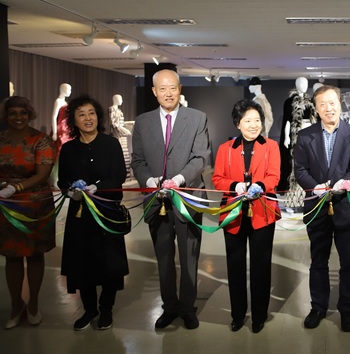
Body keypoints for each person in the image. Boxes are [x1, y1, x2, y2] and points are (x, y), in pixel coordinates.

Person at [131, 69, 210, 330]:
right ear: (154, 91)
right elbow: (138, 160)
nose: (168, 93)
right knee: (163, 258)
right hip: (156, 201)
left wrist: (178, 179)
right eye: (162, 88)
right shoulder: (142, 122)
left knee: (189, 257)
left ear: (180, 88)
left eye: (172, 88)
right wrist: (149, 181)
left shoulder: (197, 118)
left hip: (186, 198)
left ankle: (188, 307)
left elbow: (200, 158)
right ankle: (169, 306)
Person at [294, 85, 350, 332]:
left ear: (340, 104)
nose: (328, 108)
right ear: (316, 109)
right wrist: (314, 187)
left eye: (332, 102)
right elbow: (300, 169)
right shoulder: (305, 136)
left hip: (346, 207)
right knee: (318, 261)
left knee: (348, 261)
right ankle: (318, 307)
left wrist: (347, 183)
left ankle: (347, 309)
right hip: (316, 207)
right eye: (322, 104)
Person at [57, 95, 128, 331]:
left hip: (107, 213)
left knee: (109, 264)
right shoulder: (68, 149)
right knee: (82, 264)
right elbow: (62, 180)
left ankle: (106, 310)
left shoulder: (111, 144)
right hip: (80, 215)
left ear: (98, 116)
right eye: (81, 114)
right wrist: (71, 191)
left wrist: (98, 187)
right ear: (74, 121)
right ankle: (89, 309)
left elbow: (118, 175)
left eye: (91, 113)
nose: (88, 118)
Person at [212, 99, 281, 334]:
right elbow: (217, 179)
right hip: (233, 213)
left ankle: (259, 315)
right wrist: (236, 185)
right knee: (235, 265)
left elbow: (275, 177)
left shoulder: (271, 146)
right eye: (248, 121)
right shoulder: (225, 149)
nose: (254, 125)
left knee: (261, 266)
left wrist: (260, 185)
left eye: (257, 121)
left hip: (263, 212)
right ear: (237, 124)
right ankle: (237, 314)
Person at [0, 96, 55, 329]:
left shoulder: (40, 140)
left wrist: (16, 187)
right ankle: (15, 305)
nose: (18, 117)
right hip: (6, 206)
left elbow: (42, 174)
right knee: (12, 257)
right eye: (13, 113)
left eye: (22, 113)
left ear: (29, 114)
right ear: (6, 116)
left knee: (34, 254)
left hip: (35, 205)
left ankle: (33, 304)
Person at [278, 77, 316, 207]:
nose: (303, 85)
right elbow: (287, 121)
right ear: (296, 85)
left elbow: (313, 120)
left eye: (305, 83)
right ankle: (294, 200)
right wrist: (287, 137)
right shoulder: (290, 102)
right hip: (296, 135)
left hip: (310, 135)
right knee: (295, 165)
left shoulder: (311, 102)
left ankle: (308, 198)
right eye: (300, 83)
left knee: (310, 165)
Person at [109, 94, 131, 179]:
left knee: (125, 154)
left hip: (122, 135)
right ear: (116, 99)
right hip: (117, 135)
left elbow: (120, 123)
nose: (122, 101)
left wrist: (128, 126)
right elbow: (113, 124)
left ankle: (126, 175)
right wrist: (123, 129)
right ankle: (118, 175)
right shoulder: (112, 109)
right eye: (120, 99)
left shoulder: (119, 110)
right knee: (118, 154)